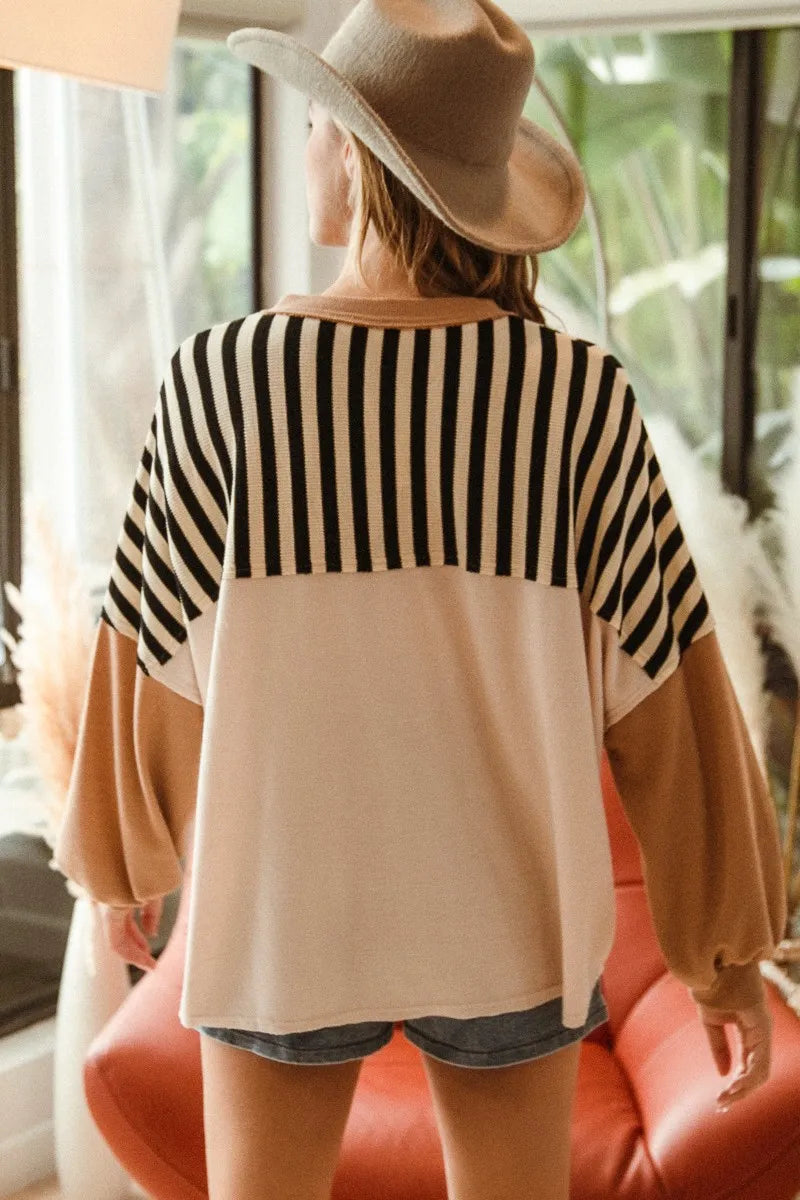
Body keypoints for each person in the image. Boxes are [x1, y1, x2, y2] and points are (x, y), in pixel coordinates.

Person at [51, 2, 787, 1198]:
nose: (302, 144)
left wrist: (120, 863)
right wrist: (723, 955)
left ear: (354, 157)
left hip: (282, 922)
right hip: (511, 930)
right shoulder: (574, 399)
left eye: (312, 123)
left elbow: (148, 660)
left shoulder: (220, 381)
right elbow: (669, 699)